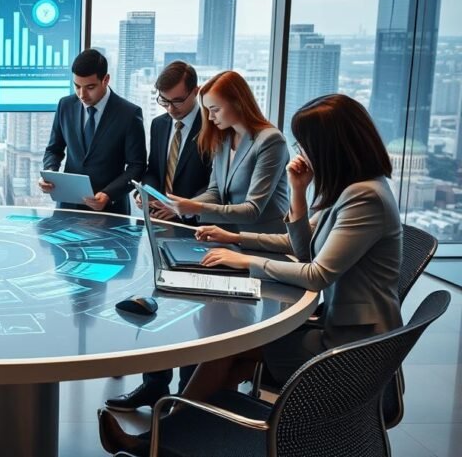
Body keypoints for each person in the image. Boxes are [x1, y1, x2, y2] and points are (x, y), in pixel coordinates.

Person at [99, 94, 403, 455]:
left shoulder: (363, 198)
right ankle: (172, 438)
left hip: (350, 351)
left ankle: (162, 439)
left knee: (228, 352)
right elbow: (304, 250)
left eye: (305, 144)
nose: (301, 152)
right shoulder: (351, 190)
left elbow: (317, 273)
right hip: (340, 330)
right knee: (228, 355)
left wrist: (244, 261)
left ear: (331, 146)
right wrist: (294, 197)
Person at [106, 61, 212, 413]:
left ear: (194, 92)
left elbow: (217, 185)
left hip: (196, 232)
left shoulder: (213, 126)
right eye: (163, 101)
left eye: (177, 102)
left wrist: (182, 209)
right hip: (159, 228)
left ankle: (186, 398)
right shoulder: (159, 123)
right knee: (158, 308)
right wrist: (145, 192)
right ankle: (154, 387)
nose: (170, 109)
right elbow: (153, 169)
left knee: (190, 313)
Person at [166, 70, 290, 233]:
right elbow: (215, 192)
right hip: (227, 236)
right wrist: (185, 206)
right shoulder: (224, 139)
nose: (210, 117)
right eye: (208, 110)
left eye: (215, 109)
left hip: (263, 240)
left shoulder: (271, 140)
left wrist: (195, 207)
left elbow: (252, 210)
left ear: (238, 103)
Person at [40, 49, 146, 215]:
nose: (82, 95)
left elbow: (137, 166)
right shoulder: (65, 105)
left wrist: (108, 194)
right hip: (68, 208)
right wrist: (51, 173)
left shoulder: (129, 114)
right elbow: (54, 149)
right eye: (77, 86)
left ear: (106, 80)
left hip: (110, 211)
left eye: (90, 87)